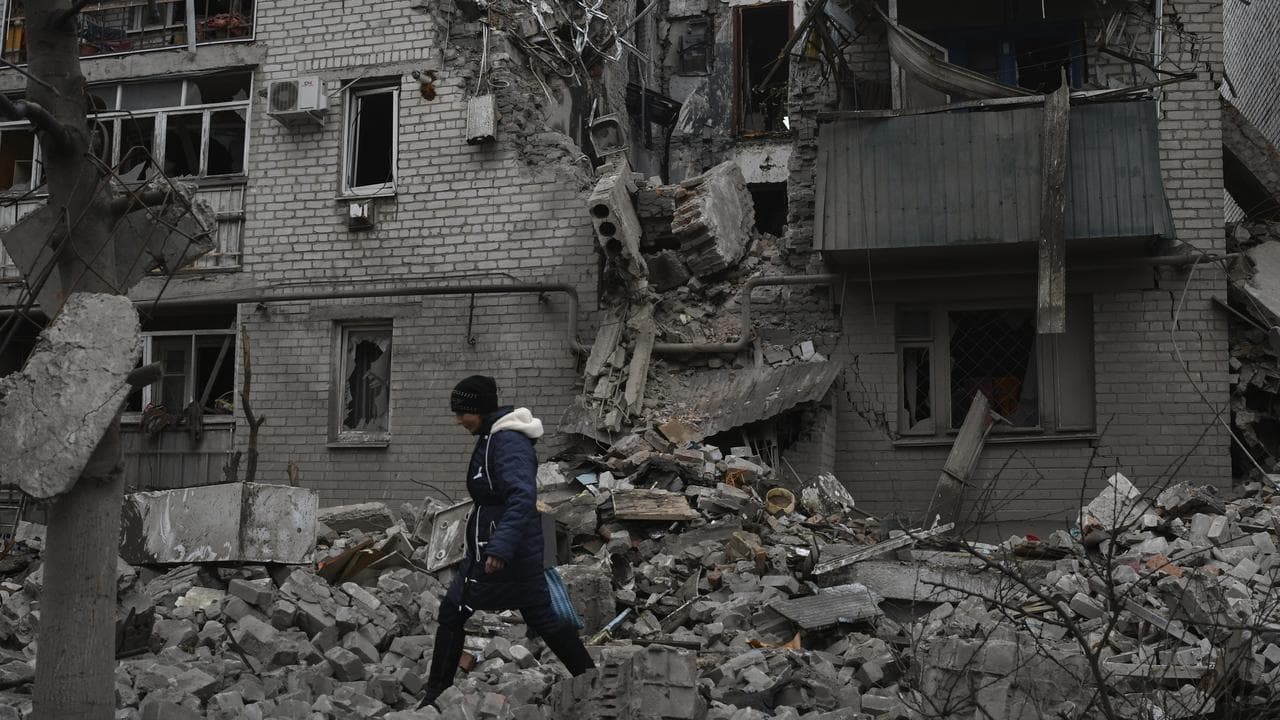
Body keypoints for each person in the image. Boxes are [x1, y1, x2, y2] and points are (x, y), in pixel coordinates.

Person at [420, 375, 594, 707]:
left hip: (504, 554)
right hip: (497, 550)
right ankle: (590, 679)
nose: (458, 420)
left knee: (460, 611)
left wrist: (500, 547)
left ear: (479, 409)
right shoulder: (491, 437)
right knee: (535, 616)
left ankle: (434, 696)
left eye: (462, 413)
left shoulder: (508, 442)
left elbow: (522, 498)